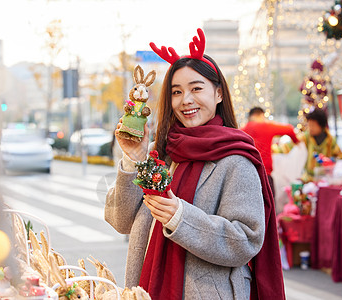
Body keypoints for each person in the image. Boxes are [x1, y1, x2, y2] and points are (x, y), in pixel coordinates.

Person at [105, 28, 285, 300]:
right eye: (176, 92)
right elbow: (120, 221)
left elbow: (247, 239)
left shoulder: (236, 159)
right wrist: (134, 159)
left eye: (196, 88)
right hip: (145, 289)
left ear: (219, 94)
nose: (186, 100)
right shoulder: (161, 154)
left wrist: (181, 217)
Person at [241, 106, 300, 198]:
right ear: (261, 115)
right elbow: (289, 129)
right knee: (269, 208)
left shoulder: (241, 130)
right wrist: (296, 141)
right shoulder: (266, 126)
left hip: (246, 176)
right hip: (265, 175)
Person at [301, 108, 342, 182]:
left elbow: (340, 157)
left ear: (321, 126)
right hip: (308, 179)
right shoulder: (306, 138)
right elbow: (292, 144)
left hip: (326, 180)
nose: (310, 128)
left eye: (313, 125)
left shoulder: (330, 140)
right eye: (309, 125)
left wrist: (331, 160)